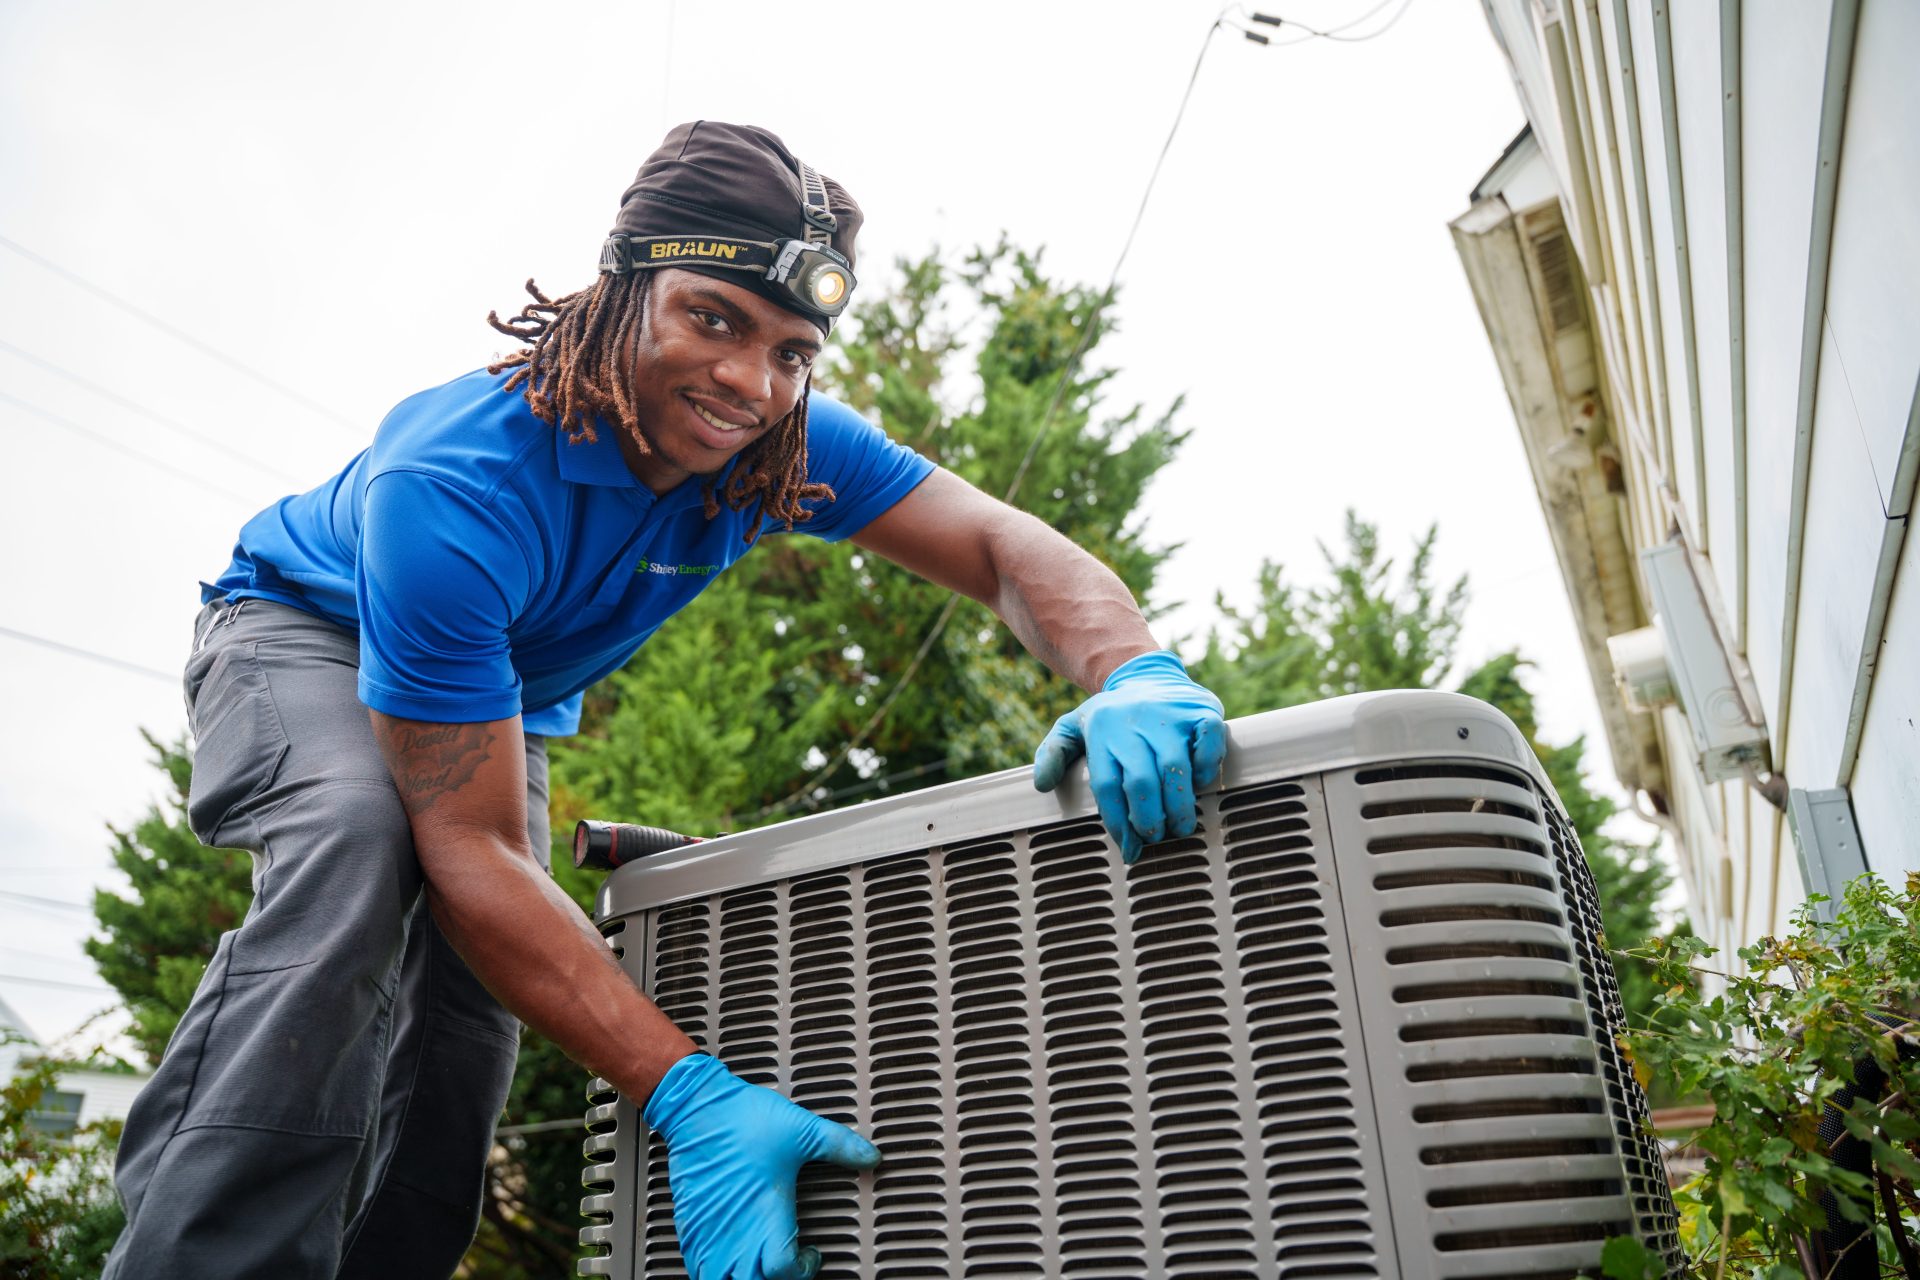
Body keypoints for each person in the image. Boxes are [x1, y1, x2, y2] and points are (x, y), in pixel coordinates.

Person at [101, 121, 1227, 1280]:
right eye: (715, 318)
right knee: (359, 842)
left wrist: (1133, 668)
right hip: (302, 630)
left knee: (477, 1010)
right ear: (623, 286)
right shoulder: (456, 480)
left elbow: (998, 546)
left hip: (493, 689)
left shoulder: (774, 445)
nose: (751, 381)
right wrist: (689, 1092)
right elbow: (469, 844)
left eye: (793, 351)